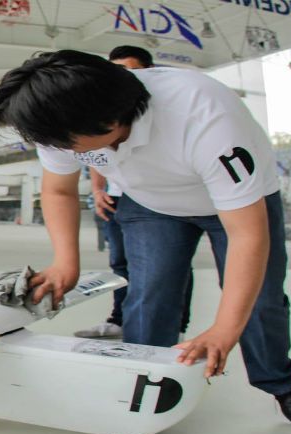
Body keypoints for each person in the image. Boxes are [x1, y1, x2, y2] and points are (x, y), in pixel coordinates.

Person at [0, 49, 291, 427]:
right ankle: (145, 392)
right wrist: (66, 263)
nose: (59, 150)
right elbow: (58, 191)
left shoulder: (204, 115)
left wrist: (222, 330)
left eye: (65, 143)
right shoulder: (60, 122)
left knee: (259, 302)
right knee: (149, 296)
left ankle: (279, 383)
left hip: (237, 205)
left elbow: (247, 233)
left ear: (109, 122)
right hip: (151, 203)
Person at [75, 46, 193, 341]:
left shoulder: (164, 108)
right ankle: (121, 319)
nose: (121, 76)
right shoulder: (104, 106)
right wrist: (98, 189)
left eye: (129, 70)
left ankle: (173, 325)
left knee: (166, 267)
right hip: (118, 198)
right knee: (121, 263)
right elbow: (96, 151)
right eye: (115, 69)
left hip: (158, 198)